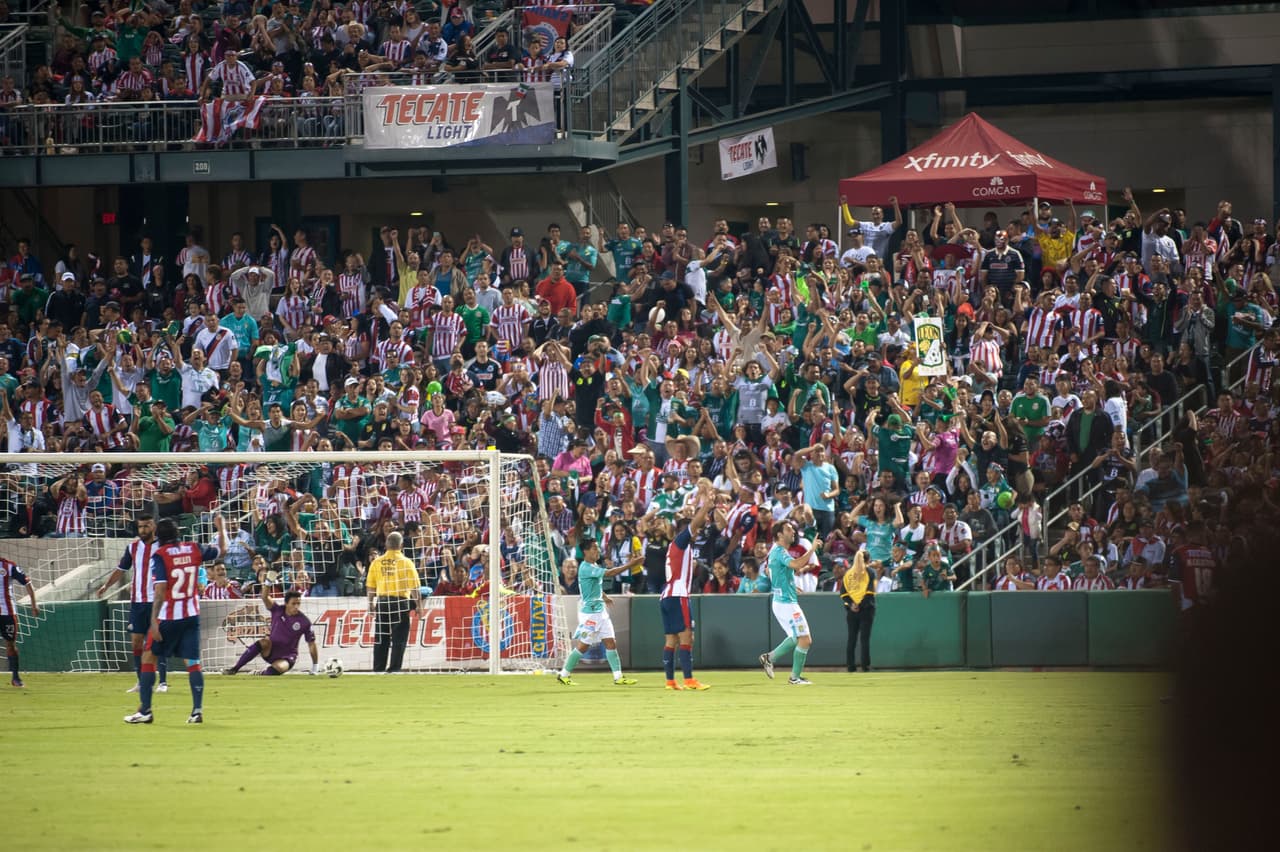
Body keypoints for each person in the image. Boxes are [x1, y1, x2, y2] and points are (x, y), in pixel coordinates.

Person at [124, 517, 225, 725]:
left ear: (159, 537)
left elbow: (160, 590)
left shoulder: (160, 555)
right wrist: (221, 528)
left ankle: (145, 710)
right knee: (193, 663)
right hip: (191, 615)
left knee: (148, 658)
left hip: (168, 617)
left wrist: (153, 620)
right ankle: (196, 711)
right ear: (178, 534)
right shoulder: (194, 548)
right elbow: (222, 550)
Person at [555, 539, 641, 686]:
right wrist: (631, 564)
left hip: (600, 611)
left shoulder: (593, 565)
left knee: (610, 642)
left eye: (598, 548)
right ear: (586, 552)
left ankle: (618, 677)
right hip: (590, 613)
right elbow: (611, 572)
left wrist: (604, 597)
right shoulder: (586, 567)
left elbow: (593, 586)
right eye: (594, 548)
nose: (598, 551)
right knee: (583, 646)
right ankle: (564, 674)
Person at [98, 515, 168, 694]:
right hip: (137, 602)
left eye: (146, 526)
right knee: (136, 643)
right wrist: (106, 585)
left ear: (153, 526)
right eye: (140, 527)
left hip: (157, 602)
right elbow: (121, 569)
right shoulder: (133, 547)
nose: (143, 530)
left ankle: (163, 682)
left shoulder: (164, 546)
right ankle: (141, 682)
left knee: (156, 642)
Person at [659, 496, 712, 691]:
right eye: (694, 529)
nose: (697, 531)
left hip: (667, 595)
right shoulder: (681, 541)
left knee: (671, 639)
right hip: (678, 594)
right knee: (687, 636)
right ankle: (689, 679)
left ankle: (670, 681)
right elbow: (695, 523)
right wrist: (705, 506)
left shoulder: (677, 547)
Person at [759, 519, 819, 685]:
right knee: (805, 640)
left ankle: (769, 658)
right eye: (789, 529)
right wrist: (812, 549)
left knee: (795, 638)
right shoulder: (780, 551)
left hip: (782, 601)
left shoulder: (774, 552)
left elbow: (770, 572)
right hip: (786, 604)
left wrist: (791, 587)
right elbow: (796, 564)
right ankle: (794, 678)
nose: (793, 532)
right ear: (779, 534)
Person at [223, 587, 320, 676]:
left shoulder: (304, 621)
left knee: (277, 669)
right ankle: (235, 669)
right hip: (271, 650)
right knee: (264, 642)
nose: (296, 606)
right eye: (293, 603)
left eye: (298, 603)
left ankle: (261, 673)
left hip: (287, 656)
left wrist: (315, 666)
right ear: (286, 604)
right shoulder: (277, 610)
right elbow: (264, 597)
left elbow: (311, 644)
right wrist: (268, 582)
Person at [365, 531, 422, 673]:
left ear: (386, 544)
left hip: (383, 602)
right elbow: (414, 587)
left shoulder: (376, 562)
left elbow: (371, 586)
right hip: (400, 602)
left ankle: (378, 669)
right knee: (399, 638)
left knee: (381, 637)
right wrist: (419, 605)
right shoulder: (406, 562)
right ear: (401, 545)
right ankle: (394, 669)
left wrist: (370, 603)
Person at [1, 556, 38, 687]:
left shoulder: (9, 566)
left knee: (10, 644)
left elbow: (27, 583)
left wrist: (34, 604)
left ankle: (15, 678)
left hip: (7, 612)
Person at [840, 550, 876, 673]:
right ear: (868, 560)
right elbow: (870, 592)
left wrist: (852, 604)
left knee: (852, 639)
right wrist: (860, 605)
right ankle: (865, 666)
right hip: (866, 609)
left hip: (851, 611)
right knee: (864, 639)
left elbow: (843, 593)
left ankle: (850, 666)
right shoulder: (870, 572)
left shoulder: (848, 573)